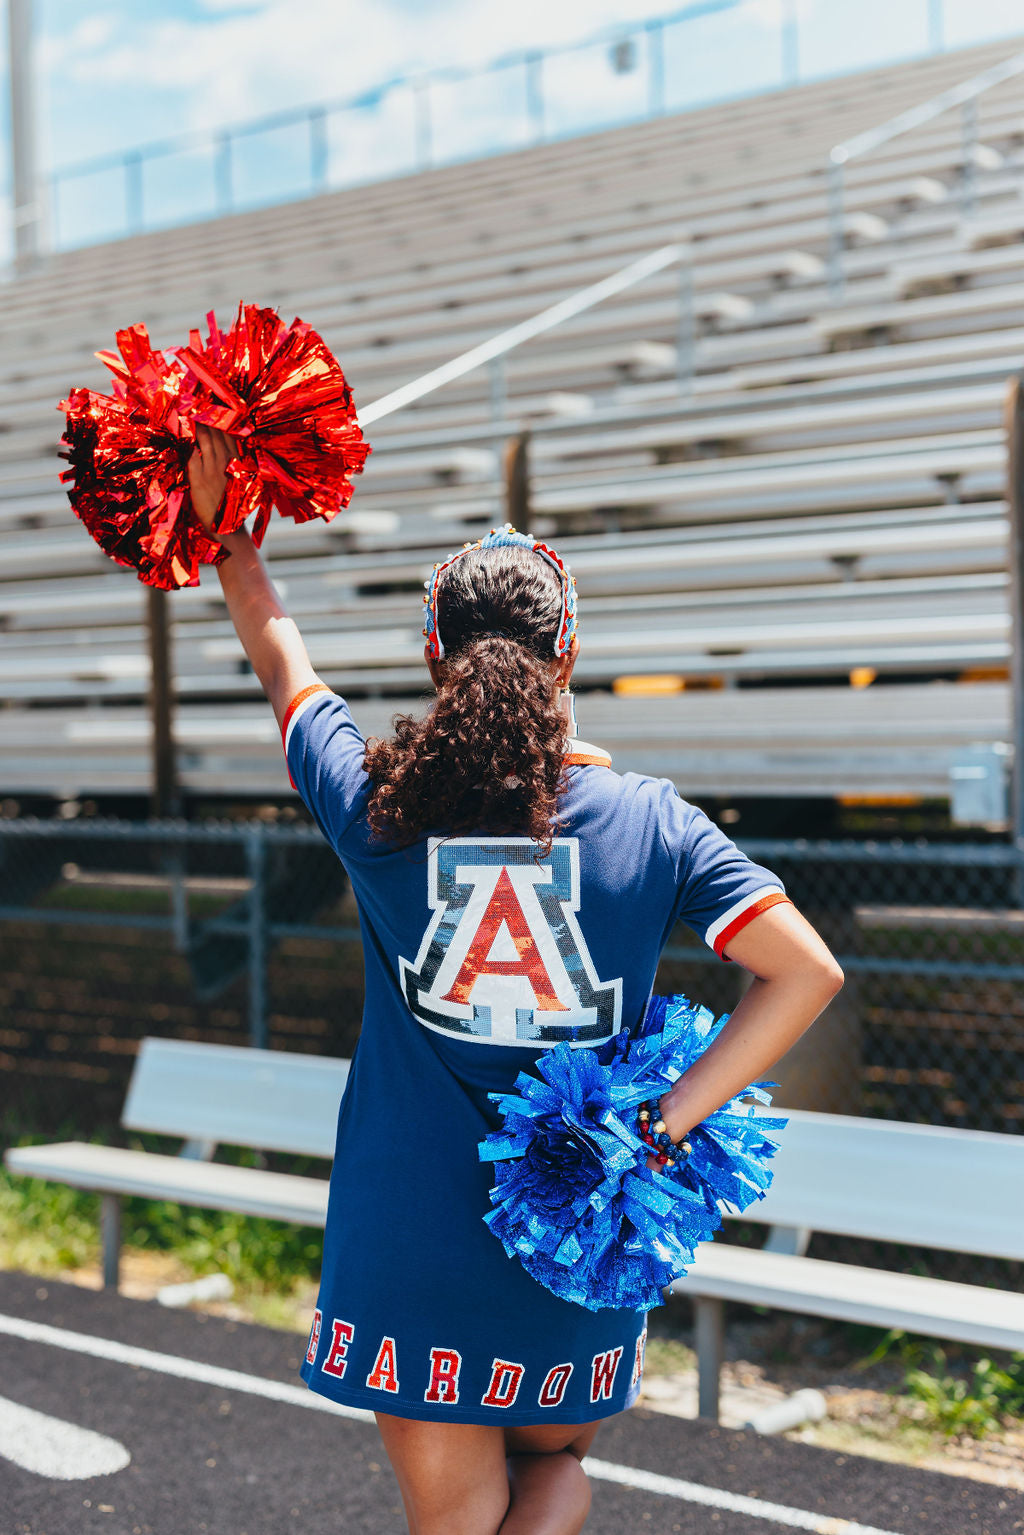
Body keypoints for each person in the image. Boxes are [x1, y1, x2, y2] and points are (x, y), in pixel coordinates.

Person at [187, 423, 844, 1535]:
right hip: (578, 1233)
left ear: (436, 657)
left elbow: (281, 660)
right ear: (570, 657)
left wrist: (232, 548)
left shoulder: (371, 805)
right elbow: (806, 969)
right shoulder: (654, 820)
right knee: (556, 1471)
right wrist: (669, 1121)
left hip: (410, 1238)